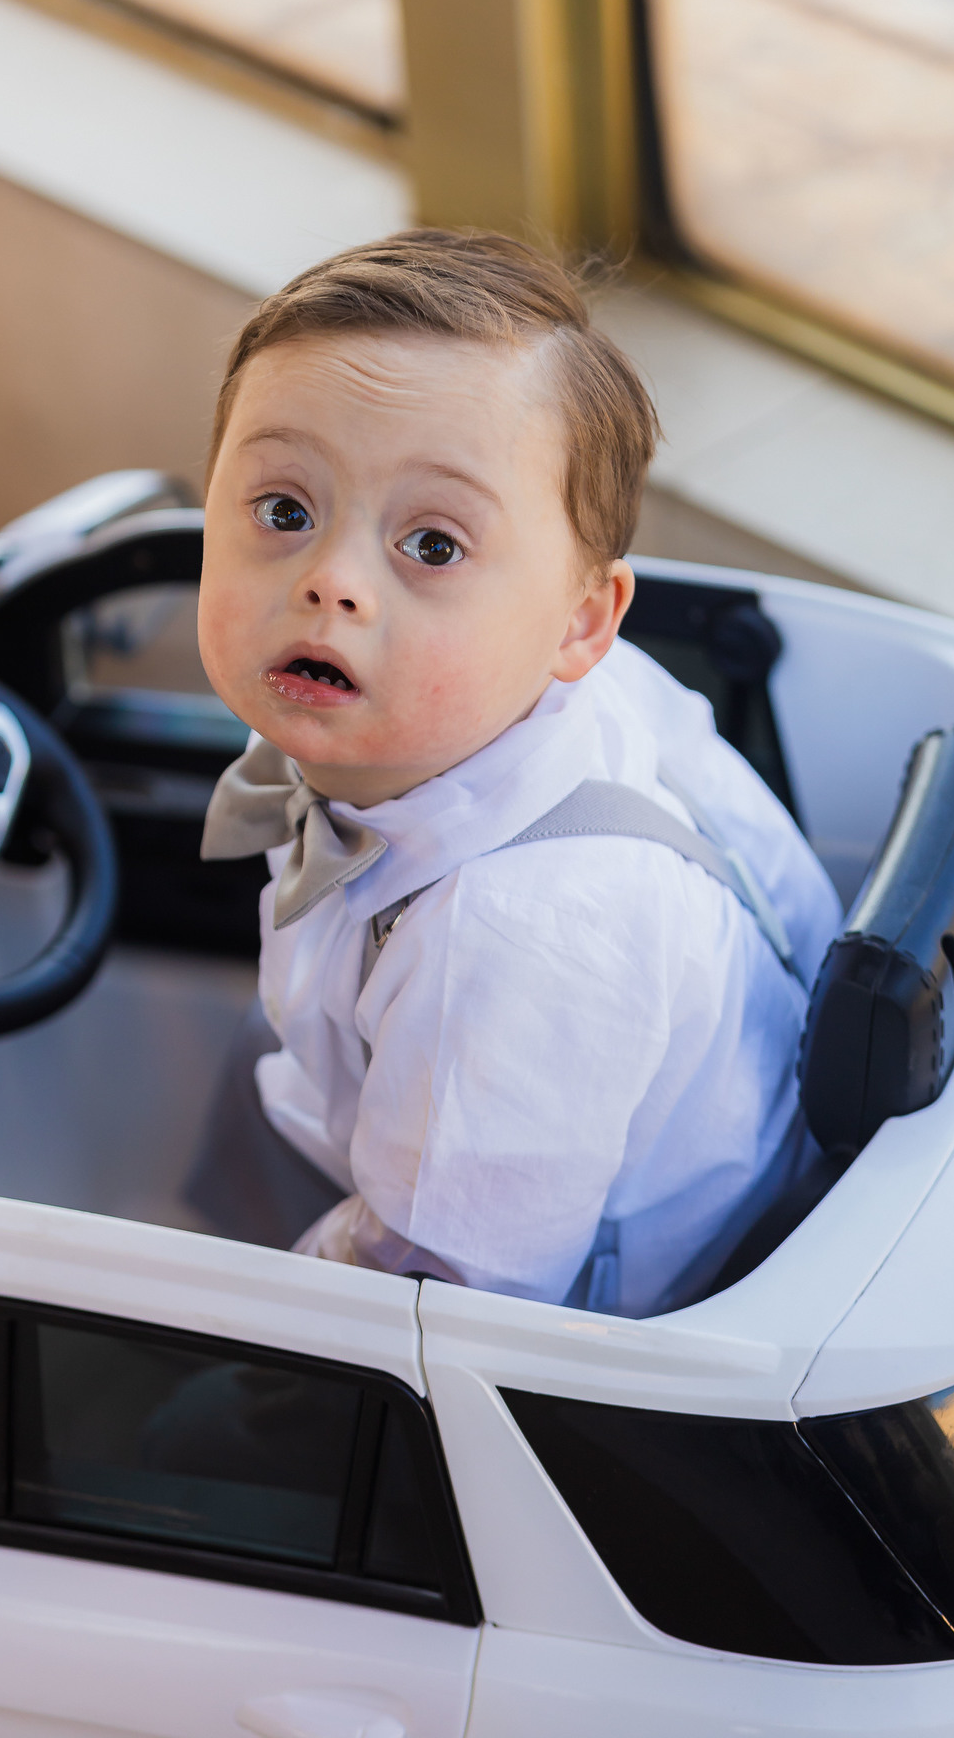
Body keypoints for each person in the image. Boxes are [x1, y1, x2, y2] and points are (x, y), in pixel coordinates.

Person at [190, 229, 841, 1318]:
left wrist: (236, 1319)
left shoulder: (510, 941)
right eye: (285, 511)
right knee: (252, 1077)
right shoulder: (528, 699)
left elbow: (431, 1300)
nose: (331, 581)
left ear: (580, 621)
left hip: (591, 1322)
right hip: (467, 1108)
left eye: (433, 546)